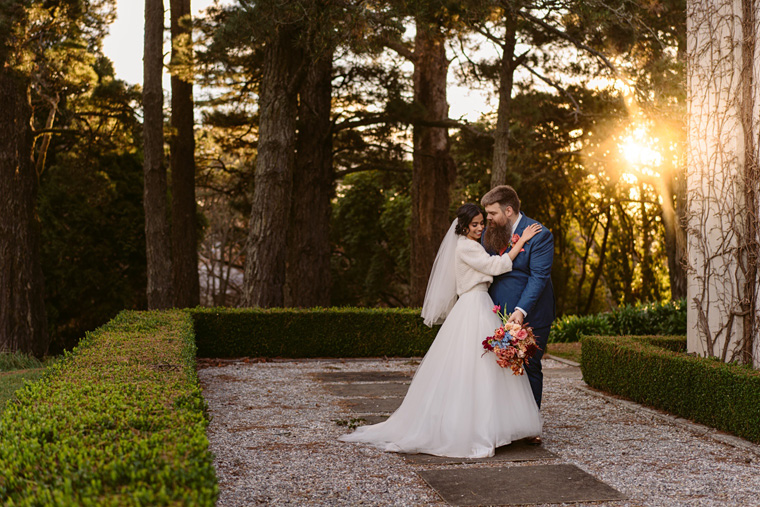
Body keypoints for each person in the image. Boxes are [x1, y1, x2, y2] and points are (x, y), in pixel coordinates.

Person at [339, 203, 542, 458]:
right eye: (475, 224)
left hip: (480, 304)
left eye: (482, 223)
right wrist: (521, 240)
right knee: (473, 367)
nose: (480, 228)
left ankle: (493, 426)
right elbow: (495, 267)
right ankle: (473, 427)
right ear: (464, 226)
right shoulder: (466, 246)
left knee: (487, 367)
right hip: (472, 306)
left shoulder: (471, 244)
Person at [481, 185, 555, 443]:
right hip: (495, 312)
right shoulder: (490, 234)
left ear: (509, 210)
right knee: (500, 366)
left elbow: (539, 277)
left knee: (529, 365)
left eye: (492, 213)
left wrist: (521, 311)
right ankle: (503, 422)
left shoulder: (540, 235)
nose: (487, 218)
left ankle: (530, 427)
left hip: (531, 313)